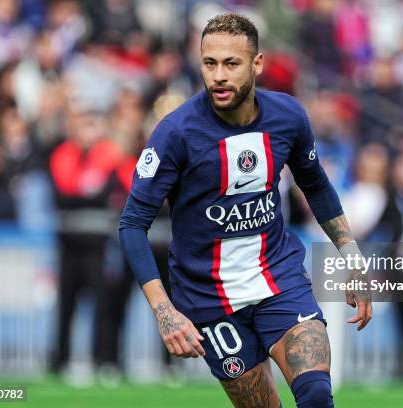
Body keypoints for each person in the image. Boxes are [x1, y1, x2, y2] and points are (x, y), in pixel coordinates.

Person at [119, 13, 372, 407]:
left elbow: (316, 185)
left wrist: (353, 258)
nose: (218, 75)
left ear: (257, 64)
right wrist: (163, 310)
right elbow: (133, 223)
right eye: (209, 63)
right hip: (209, 297)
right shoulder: (176, 133)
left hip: (278, 278)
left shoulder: (287, 117)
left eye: (231, 64)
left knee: (317, 395)